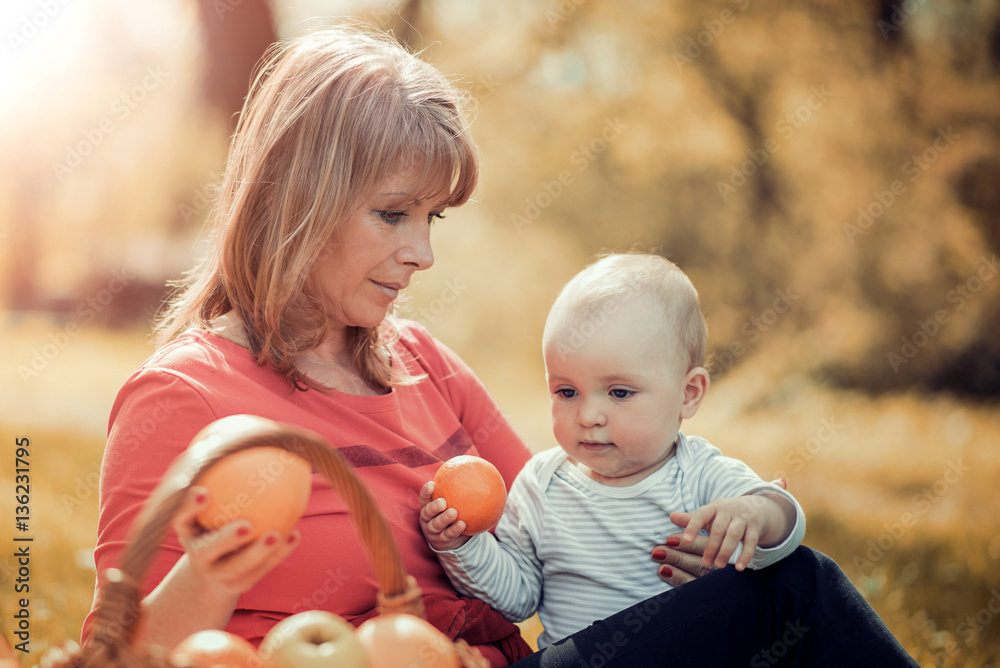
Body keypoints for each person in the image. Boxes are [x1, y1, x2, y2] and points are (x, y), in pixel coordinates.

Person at [83, 24, 918, 668]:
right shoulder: (186, 400)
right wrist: (208, 578)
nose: (423, 253)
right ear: (298, 199)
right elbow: (119, 654)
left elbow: (563, 522)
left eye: (432, 219)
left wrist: (695, 556)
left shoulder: (424, 364)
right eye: (393, 214)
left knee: (782, 587)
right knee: (794, 598)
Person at [421, 254, 921, 666]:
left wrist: (756, 514)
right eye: (566, 391)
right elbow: (517, 596)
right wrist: (462, 546)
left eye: (619, 392)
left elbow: (783, 527)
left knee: (800, 570)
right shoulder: (541, 484)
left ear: (688, 394)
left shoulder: (697, 471)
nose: (589, 414)